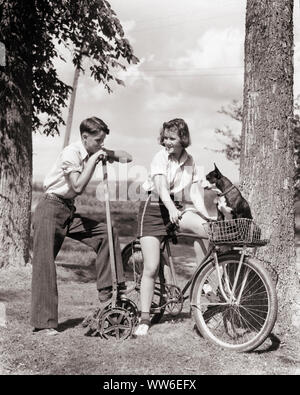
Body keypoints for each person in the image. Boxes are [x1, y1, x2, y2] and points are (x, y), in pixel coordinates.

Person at [30, 116, 132, 336]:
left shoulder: (93, 149)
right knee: (45, 264)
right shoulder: (71, 153)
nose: (100, 144)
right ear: (85, 137)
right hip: (50, 208)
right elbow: (76, 186)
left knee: (106, 233)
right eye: (98, 140)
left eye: (103, 140)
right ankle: (44, 323)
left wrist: (110, 154)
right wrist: (96, 159)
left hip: (68, 210)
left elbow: (128, 157)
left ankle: (109, 292)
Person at [134, 118, 212, 336]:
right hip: (153, 208)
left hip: (174, 208)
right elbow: (160, 188)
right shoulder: (160, 157)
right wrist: (171, 209)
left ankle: (203, 280)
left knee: (206, 229)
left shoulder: (190, 160)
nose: (167, 142)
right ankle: (145, 318)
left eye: (172, 138)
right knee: (151, 267)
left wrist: (206, 215)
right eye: (165, 138)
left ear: (183, 139)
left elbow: (195, 192)